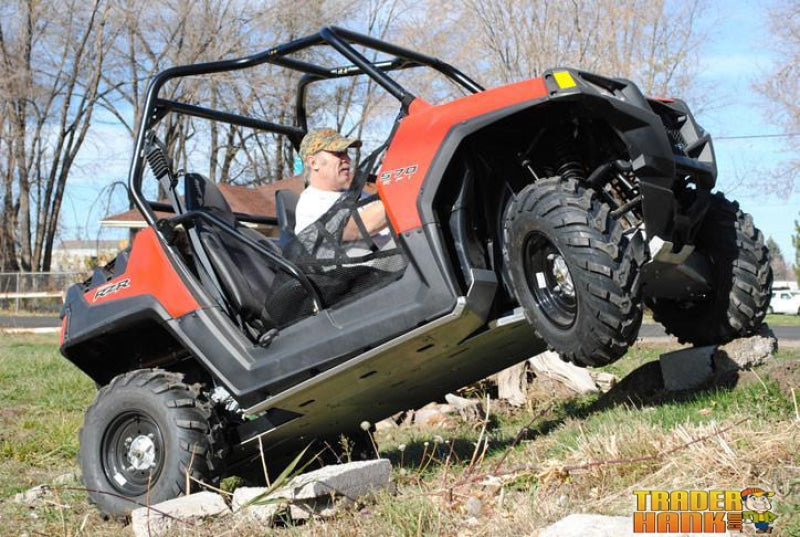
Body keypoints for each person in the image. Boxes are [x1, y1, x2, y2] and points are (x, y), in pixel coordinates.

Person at [294, 128, 388, 242]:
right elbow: (355, 229)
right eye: (339, 153)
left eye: (346, 153)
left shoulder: (354, 194)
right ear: (314, 163)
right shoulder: (311, 204)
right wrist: (400, 195)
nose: (348, 159)